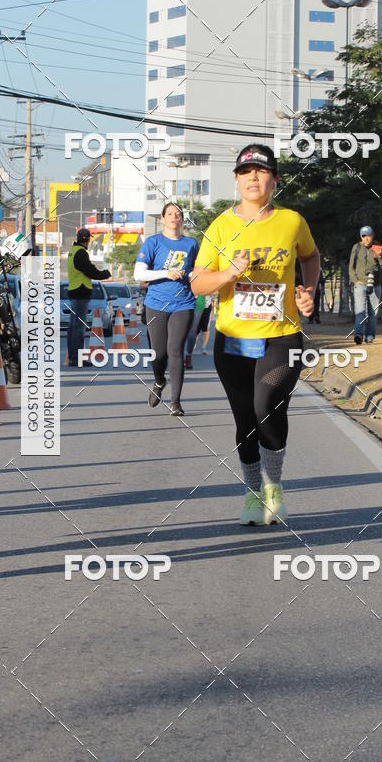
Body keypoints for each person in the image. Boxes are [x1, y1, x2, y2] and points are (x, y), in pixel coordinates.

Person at [191, 143, 319, 525]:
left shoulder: (292, 222)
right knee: (246, 420)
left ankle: (273, 487)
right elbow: (198, 282)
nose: (253, 178)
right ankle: (252, 494)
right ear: (236, 180)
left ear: (274, 180)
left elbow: (310, 256)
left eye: (261, 171)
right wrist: (229, 274)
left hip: (282, 336)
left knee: (267, 407)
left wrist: (309, 290)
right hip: (232, 339)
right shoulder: (220, 227)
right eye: (246, 172)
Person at [134, 202, 198, 416]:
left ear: (182, 219)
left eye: (178, 214)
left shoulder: (191, 244)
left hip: (184, 303)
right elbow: (139, 274)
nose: (174, 217)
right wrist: (165, 273)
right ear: (163, 219)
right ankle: (159, 381)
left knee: (175, 350)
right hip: (156, 304)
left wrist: (196, 277)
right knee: (159, 354)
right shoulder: (153, 242)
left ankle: (176, 403)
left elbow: (197, 270)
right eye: (170, 214)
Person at [67, 228, 111, 366]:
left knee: (73, 327)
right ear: (87, 240)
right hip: (80, 293)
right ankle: (77, 358)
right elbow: (90, 270)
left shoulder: (73, 251)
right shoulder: (81, 253)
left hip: (75, 291)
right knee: (78, 328)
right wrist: (104, 274)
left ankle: (74, 357)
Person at [348, 225, 382, 345]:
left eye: (368, 236)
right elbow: (351, 267)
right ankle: (358, 335)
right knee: (360, 311)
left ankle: (369, 336)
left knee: (373, 313)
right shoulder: (357, 247)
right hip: (360, 284)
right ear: (361, 237)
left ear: (372, 236)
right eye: (364, 236)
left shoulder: (378, 247)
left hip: (375, 284)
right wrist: (355, 280)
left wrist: (380, 257)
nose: (366, 239)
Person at [184, 294, 206, 369]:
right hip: (181, 301)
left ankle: (188, 356)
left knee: (192, 331)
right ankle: (176, 356)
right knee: (179, 330)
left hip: (198, 302)